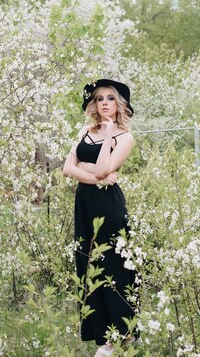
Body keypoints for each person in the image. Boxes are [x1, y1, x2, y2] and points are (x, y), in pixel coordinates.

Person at [62, 79, 137, 357]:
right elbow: (68, 168)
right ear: (93, 105)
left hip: (109, 205)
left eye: (110, 98)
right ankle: (102, 332)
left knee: (114, 266)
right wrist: (96, 178)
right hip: (85, 202)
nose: (104, 103)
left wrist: (107, 134)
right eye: (98, 99)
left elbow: (107, 166)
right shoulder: (84, 130)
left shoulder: (124, 137)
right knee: (89, 262)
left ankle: (121, 334)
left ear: (119, 104)